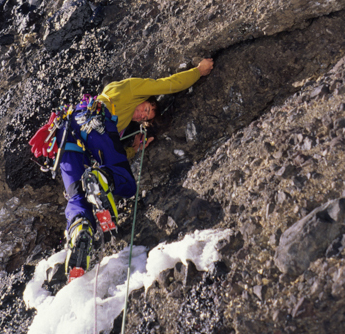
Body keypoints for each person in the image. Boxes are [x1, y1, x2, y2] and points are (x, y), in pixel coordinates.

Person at [31, 58, 214, 280]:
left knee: (76, 194)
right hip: (93, 121)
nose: (143, 115)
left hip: (66, 134)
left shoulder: (122, 124)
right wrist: (197, 72)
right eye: (146, 108)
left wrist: (134, 149)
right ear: (142, 99)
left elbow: (100, 151)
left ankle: (80, 231)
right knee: (126, 183)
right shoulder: (129, 89)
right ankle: (101, 184)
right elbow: (167, 84)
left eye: (146, 117)